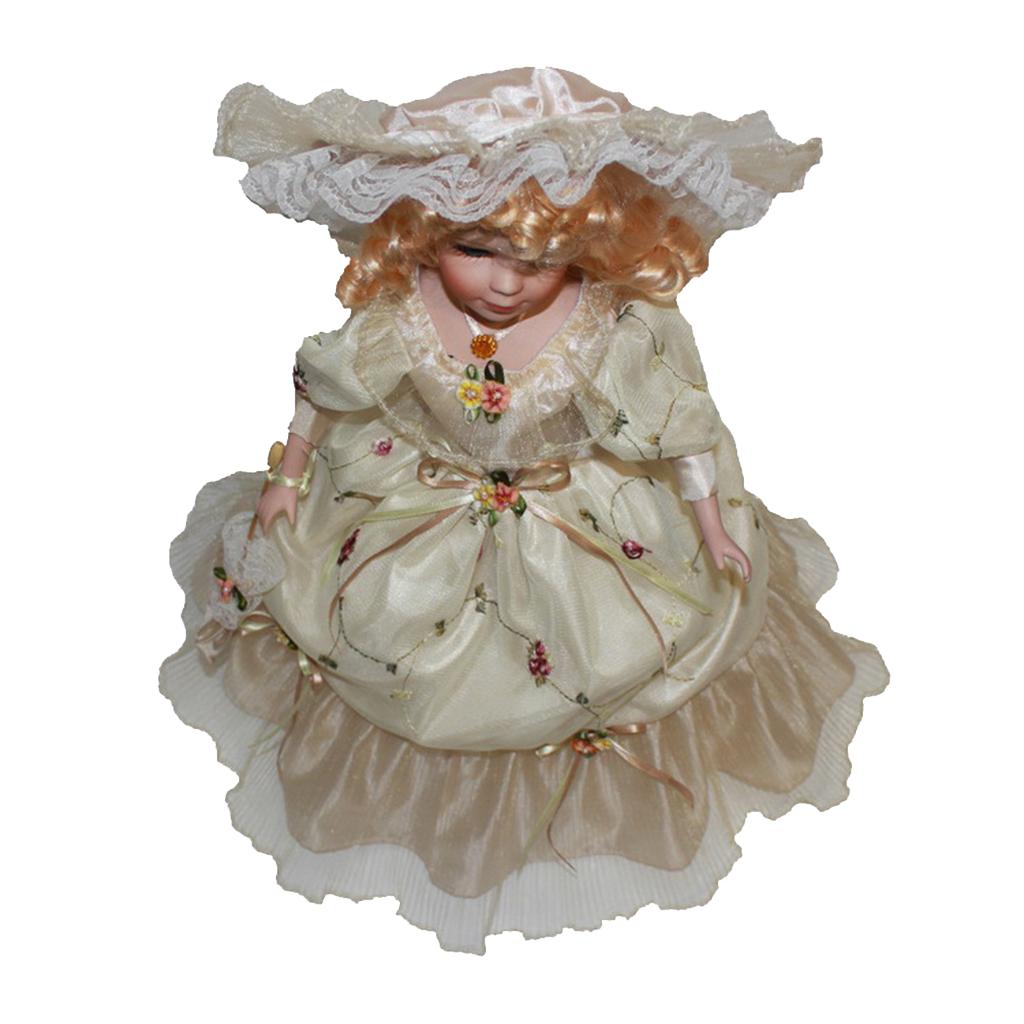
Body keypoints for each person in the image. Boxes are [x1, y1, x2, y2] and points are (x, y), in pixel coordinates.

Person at [161, 67, 888, 953]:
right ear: (425, 232)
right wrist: (289, 474)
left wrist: (708, 528)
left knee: (626, 636)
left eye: (538, 262)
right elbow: (327, 385)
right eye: (474, 250)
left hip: (578, 507)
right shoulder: (401, 311)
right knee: (372, 625)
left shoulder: (612, 324)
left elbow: (679, 427)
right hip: (415, 502)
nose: (505, 285)